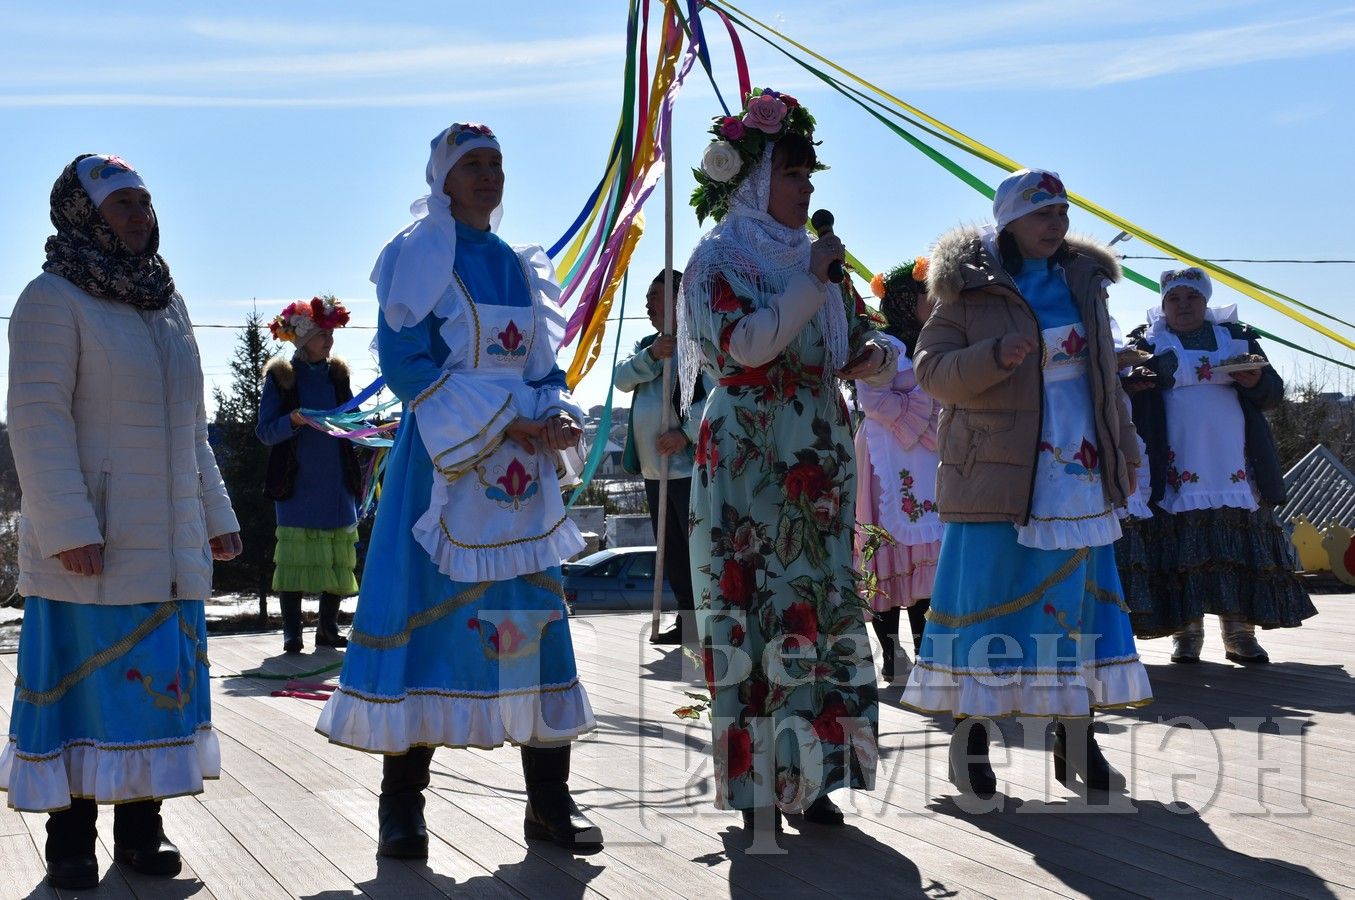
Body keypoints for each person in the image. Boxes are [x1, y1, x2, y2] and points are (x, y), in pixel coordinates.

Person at [315, 123, 602, 856]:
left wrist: (554, 417)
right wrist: (506, 422)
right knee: (430, 628)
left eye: (496, 164)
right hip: (441, 472)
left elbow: (540, 370)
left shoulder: (517, 263)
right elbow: (406, 364)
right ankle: (402, 811)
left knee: (532, 626)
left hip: (517, 478)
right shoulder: (417, 255)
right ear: (441, 177)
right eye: (471, 164)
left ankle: (548, 804)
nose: (487, 176)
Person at [1, 154, 242, 889]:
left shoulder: (164, 303)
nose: (139, 215)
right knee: (86, 690)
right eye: (121, 204)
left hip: (166, 542)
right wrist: (70, 527)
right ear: (82, 213)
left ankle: (141, 831)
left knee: (151, 690)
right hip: (93, 541)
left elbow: (189, 427)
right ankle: (70, 838)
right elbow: (36, 423)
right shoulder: (51, 297)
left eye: (143, 201)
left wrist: (215, 514)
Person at [678, 89, 896, 833]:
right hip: (749, 451)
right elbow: (744, 348)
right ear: (751, 182)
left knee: (817, 600)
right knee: (753, 605)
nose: (807, 188)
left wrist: (868, 356)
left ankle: (815, 775)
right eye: (793, 174)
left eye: (809, 176)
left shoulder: (813, 262)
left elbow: (863, 339)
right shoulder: (717, 260)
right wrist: (811, 281)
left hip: (817, 446)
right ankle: (757, 783)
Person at [901, 169, 1152, 797]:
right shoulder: (967, 288)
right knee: (985, 607)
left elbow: (1103, 380)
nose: (1056, 223)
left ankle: (1076, 740)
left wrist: (1125, 444)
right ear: (1009, 220)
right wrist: (993, 357)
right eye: (1043, 213)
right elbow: (929, 372)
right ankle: (972, 745)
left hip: (1079, 471)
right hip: (996, 475)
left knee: (1073, 608)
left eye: (1062, 212)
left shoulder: (1083, 284)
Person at [1117, 267, 1316, 663]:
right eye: (1174, 299)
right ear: (1163, 303)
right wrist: (1131, 384)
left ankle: (1240, 634)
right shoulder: (1146, 342)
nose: (1183, 305)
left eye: (1192, 297)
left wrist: (1253, 381)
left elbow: (1272, 394)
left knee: (1237, 543)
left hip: (1236, 462)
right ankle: (1186, 633)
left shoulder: (1237, 338)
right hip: (1173, 461)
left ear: (1206, 302)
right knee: (1180, 545)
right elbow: (1125, 393)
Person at [257, 296, 362, 653]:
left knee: (336, 556)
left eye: (330, 333)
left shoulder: (338, 375)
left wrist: (377, 430)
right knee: (295, 557)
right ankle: (292, 631)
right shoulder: (282, 378)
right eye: (321, 334)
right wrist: (293, 420)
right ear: (302, 338)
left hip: (337, 482)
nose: (328, 340)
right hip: (297, 483)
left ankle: (328, 628)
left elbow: (353, 420)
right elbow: (266, 431)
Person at [855, 258, 942, 682]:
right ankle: (892, 657)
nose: (937, 301)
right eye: (929, 293)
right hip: (882, 456)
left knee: (927, 550)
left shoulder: (940, 341)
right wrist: (919, 418)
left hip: (929, 455)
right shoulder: (882, 345)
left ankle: (927, 656)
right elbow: (873, 402)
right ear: (907, 300)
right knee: (888, 547)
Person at [614, 269, 709, 646]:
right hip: (654, 472)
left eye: (656, 297)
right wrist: (653, 354)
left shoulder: (697, 347)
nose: (648, 304)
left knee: (695, 548)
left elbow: (713, 399)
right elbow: (621, 379)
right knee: (669, 553)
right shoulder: (646, 346)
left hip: (687, 470)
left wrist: (684, 434)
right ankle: (686, 620)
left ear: (677, 302)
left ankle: (705, 621)